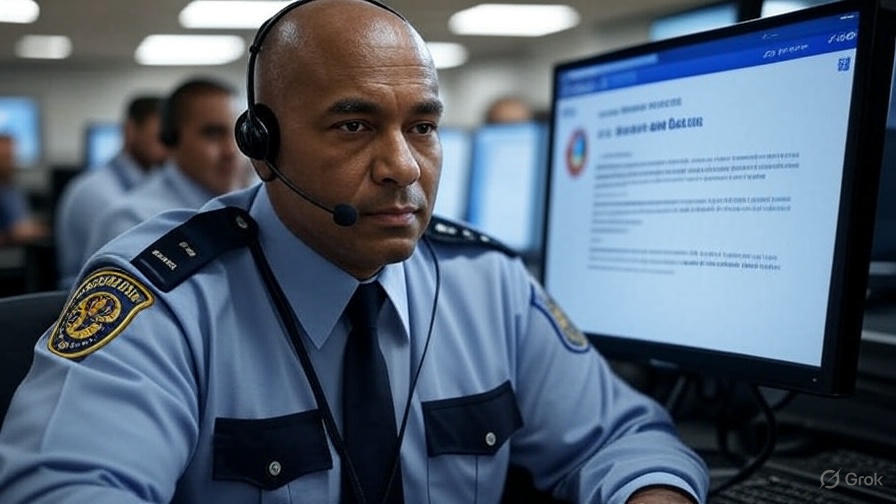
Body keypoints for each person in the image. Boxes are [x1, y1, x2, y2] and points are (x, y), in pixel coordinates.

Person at [0, 1, 708, 503]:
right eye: (353, 125)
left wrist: (648, 491)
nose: (403, 165)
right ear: (263, 148)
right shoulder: (164, 297)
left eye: (423, 127)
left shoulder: (489, 284)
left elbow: (622, 439)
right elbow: (68, 487)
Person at [83, 78, 246, 264]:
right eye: (213, 134)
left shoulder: (251, 208)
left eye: (240, 132)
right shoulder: (131, 223)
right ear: (170, 140)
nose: (232, 151)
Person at [54, 96, 167, 287]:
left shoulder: (150, 186)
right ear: (130, 130)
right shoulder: (97, 193)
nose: (168, 146)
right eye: (160, 136)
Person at [0, 134, 47, 245]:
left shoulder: (12, 189)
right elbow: (17, 231)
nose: (10, 163)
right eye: (5, 158)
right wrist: (10, 234)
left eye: (12, 157)